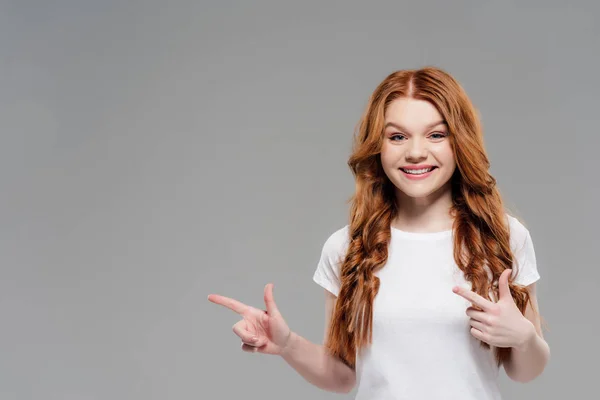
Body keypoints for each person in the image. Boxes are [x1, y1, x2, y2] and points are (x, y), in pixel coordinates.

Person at [207, 66, 550, 399]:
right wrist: (287, 345)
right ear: (378, 146)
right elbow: (342, 376)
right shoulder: (347, 247)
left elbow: (526, 371)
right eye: (397, 136)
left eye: (436, 134)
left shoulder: (502, 236)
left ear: (458, 142)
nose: (415, 152)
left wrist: (523, 338)